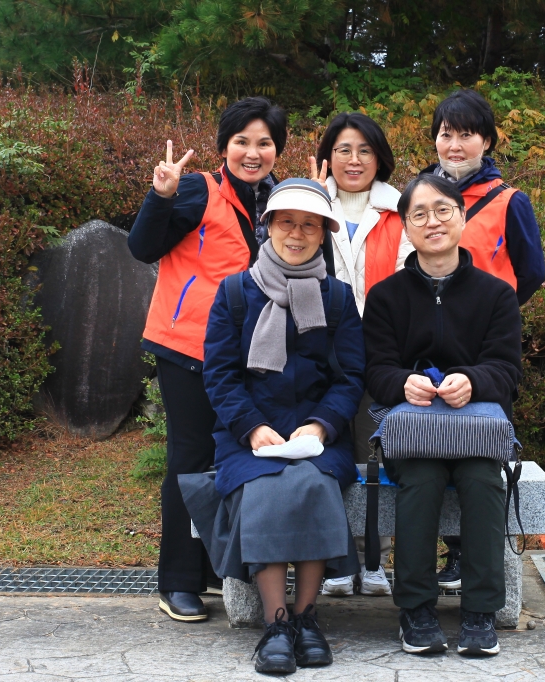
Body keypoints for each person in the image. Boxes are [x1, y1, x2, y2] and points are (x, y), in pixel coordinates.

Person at [128, 96, 287, 622]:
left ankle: (213, 567)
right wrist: (160, 195)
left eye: (264, 143)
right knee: (190, 457)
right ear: (224, 147)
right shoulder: (199, 189)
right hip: (187, 347)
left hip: (248, 355)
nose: (252, 152)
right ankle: (178, 580)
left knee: (231, 458)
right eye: (242, 141)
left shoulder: (277, 201)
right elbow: (143, 248)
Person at [202, 178, 365, 674]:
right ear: (268, 226)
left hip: (319, 436)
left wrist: (321, 426)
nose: (297, 234)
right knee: (265, 486)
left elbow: (350, 376)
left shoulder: (337, 298)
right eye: (287, 222)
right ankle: (276, 623)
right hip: (247, 436)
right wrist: (251, 427)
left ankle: (306, 617)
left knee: (314, 484)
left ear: (323, 233)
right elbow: (219, 373)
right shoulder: (235, 292)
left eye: (310, 225)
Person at [362, 174, 523, 656]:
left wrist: (472, 380)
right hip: (414, 433)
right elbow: (375, 370)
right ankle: (415, 608)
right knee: (421, 480)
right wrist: (402, 383)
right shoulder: (386, 296)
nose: (432, 222)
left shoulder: (496, 294)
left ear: (462, 217)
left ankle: (481, 611)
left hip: (476, 432)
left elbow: (507, 370)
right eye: (419, 214)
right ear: (406, 227)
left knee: (482, 480)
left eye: (443, 210)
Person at [423, 88, 545, 590]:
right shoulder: (422, 195)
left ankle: (479, 558)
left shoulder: (509, 201)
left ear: (487, 140)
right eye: (445, 134)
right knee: (430, 448)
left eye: (466, 135)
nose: (454, 145)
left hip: (487, 351)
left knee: (483, 450)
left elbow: (532, 271)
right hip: (428, 342)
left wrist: (496, 311)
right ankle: (449, 553)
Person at [309, 112, 411, 598]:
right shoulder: (309, 204)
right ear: (327, 156)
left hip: (381, 351)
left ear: (379, 157)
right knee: (331, 449)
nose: (354, 160)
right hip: (319, 349)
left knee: (377, 452)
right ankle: (336, 557)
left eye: (365, 150)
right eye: (344, 150)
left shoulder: (400, 209)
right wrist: (313, 204)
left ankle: (376, 559)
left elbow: (408, 279)